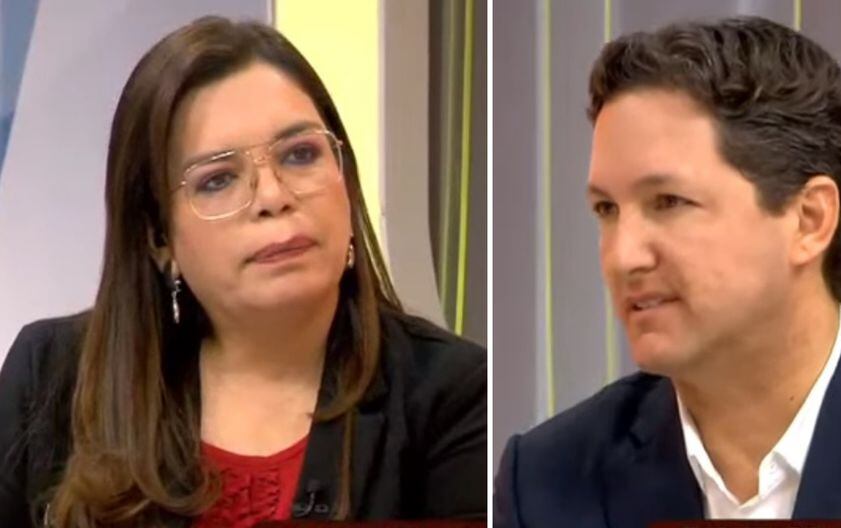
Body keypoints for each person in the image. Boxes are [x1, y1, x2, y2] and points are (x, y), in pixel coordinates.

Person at [0, 16, 486, 527]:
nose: (273, 196)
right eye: (217, 180)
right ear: (159, 236)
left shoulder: (454, 396)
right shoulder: (51, 377)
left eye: (300, 154)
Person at [494, 16, 841, 525]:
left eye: (669, 201)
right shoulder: (547, 482)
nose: (622, 256)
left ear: (809, 220)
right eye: (606, 209)